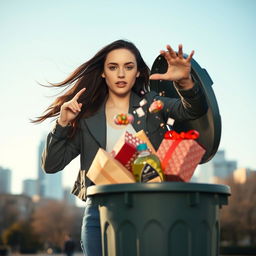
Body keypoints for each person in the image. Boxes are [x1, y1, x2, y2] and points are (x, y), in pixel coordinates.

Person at [33, 39, 207, 256]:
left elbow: (193, 111)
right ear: (104, 73)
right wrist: (63, 123)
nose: (121, 74)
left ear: (138, 73)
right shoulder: (86, 117)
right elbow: (51, 165)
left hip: (151, 207)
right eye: (113, 67)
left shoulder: (153, 104)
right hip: (100, 210)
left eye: (129, 66)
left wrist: (186, 83)